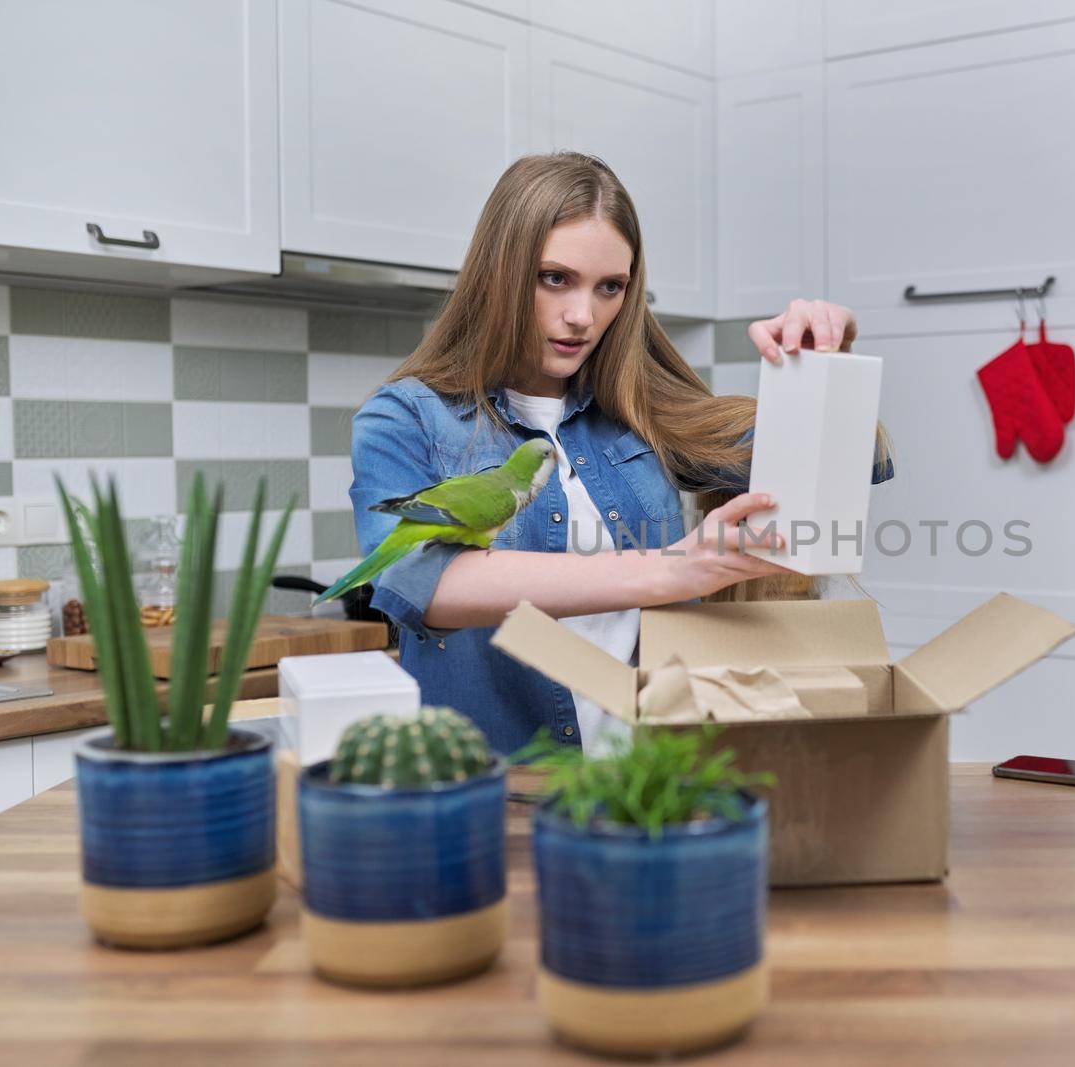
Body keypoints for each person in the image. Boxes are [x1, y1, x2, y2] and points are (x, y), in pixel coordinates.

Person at [349, 152, 893, 754]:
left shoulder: (643, 414)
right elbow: (421, 584)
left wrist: (823, 364)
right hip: (502, 788)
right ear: (498, 272)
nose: (583, 316)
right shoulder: (406, 418)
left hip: (652, 781)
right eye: (554, 277)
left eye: (610, 287)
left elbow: (856, 463)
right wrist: (670, 569)